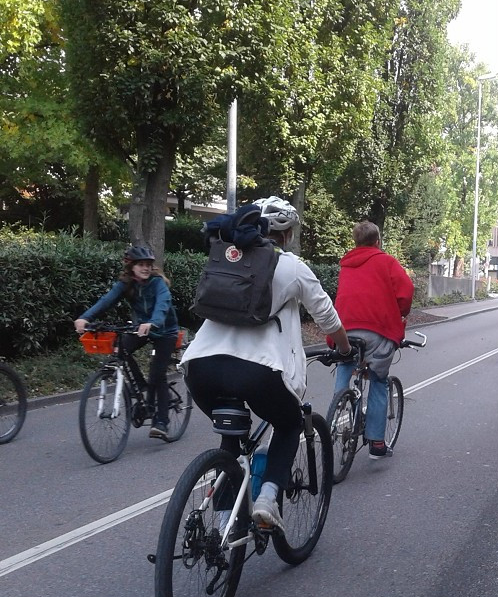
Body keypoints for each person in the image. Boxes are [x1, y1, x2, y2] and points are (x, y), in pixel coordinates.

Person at [181, 197, 352, 530]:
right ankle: (267, 499)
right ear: (286, 234)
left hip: (200, 368)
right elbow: (328, 318)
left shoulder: (227, 255)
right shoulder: (290, 266)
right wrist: (344, 349)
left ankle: (221, 528)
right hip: (257, 371)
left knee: (231, 443)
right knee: (288, 425)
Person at [75, 245, 181, 440]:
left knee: (157, 375)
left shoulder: (158, 284)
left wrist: (153, 322)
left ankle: (162, 422)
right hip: (141, 327)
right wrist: (85, 318)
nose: (145, 268)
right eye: (141, 264)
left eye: (148, 264)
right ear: (131, 267)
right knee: (121, 348)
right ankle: (142, 386)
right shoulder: (125, 284)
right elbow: (106, 301)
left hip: (165, 331)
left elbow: (162, 305)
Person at [331, 220, 415, 458]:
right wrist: (400, 313)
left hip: (344, 329)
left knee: (345, 361)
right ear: (377, 241)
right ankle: (377, 444)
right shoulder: (386, 261)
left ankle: (338, 406)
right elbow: (405, 290)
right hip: (376, 330)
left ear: (356, 242)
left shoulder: (346, 265)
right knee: (379, 380)